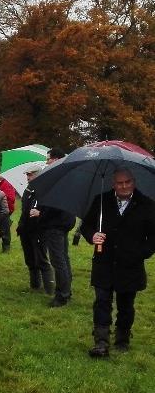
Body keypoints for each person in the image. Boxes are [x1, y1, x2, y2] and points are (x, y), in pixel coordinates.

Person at [80, 168, 155, 357]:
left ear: (133, 182)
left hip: (130, 265)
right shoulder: (102, 201)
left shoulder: (146, 204)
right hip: (103, 262)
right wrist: (92, 236)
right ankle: (101, 342)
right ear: (113, 184)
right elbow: (86, 225)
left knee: (125, 305)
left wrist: (141, 253)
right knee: (102, 302)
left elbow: (153, 237)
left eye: (127, 182)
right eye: (119, 183)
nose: (124, 186)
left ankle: (122, 339)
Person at [31, 148, 75, 307]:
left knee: (58, 261)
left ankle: (62, 295)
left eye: (48, 159)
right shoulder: (66, 176)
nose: (47, 162)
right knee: (63, 258)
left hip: (56, 224)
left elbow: (53, 204)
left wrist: (40, 213)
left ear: (56, 159)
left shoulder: (58, 177)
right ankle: (67, 291)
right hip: (64, 221)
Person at [16, 164, 54, 293]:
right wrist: (21, 225)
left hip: (39, 230)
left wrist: (40, 213)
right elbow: (24, 210)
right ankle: (35, 285)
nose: (28, 177)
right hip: (26, 229)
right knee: (30, 259)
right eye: (27, 175)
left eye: (30, 174)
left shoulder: (46, 190)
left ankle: (49, 289)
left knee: (42, 259)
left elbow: (51, 211)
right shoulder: (28, 190)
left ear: (38, 174)